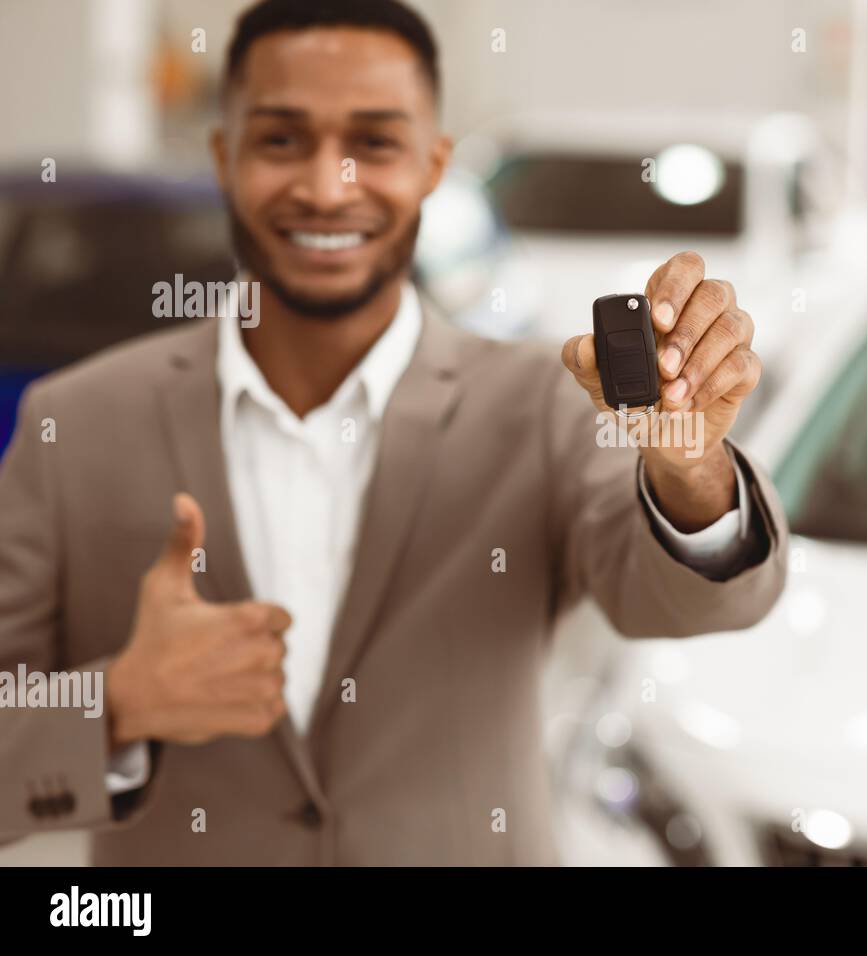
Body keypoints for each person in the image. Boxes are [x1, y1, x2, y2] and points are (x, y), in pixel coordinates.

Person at [0, 0, 788, 865]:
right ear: (225, 158)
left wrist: (690, 469)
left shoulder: (540, 403)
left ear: (433, 165)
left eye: (373, 142)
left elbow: (683, 600)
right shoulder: (72, 424)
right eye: (281, 140)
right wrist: (116, 705)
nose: (327, 185)